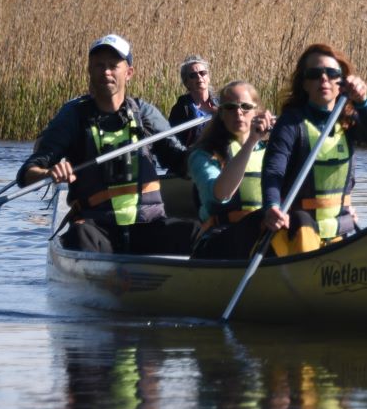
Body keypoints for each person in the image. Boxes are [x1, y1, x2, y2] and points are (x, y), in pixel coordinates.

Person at [19, 34, 199, 254]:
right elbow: (27, 173)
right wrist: (48, 173)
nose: (106, 72)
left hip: (148, 227)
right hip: (97, 229)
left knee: (195, 233)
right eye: (99, 65)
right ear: (90, 70)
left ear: (129, 72)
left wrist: (210, 148)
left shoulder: (145, 114)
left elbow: (181, 162)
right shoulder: (73, 116)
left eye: (113, 65)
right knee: (78, 235)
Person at [259, 43, 367, 256]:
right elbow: (274, 171)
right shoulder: (291, 123)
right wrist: (272, 205)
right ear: (305, 84)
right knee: (302, 221)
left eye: (332, 73)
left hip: (339, 228)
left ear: (341, 83)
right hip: (297, 231)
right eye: (315, 74)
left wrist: (363, 101)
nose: (324, 79)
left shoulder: (349, 122)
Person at [188, 80, 278, 260]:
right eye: (230, 107)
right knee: (259, 219)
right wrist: (251, 141)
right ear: (221, 114)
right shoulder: (203, 155)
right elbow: (220, 195)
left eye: (245, 107)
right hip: (220, 238)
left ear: (257, 112)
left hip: (265, 237)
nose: (238, 112)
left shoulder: (274, 152)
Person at [167, 55, 217, 146]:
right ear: (186, 83)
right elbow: (174, 140)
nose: (199, 77)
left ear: (208, 78)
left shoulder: (221, 104)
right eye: (193, 75)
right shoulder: (180, 109)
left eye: (202, 73)